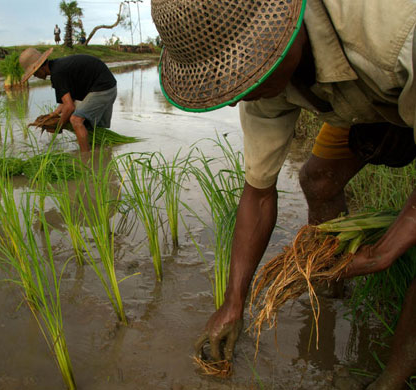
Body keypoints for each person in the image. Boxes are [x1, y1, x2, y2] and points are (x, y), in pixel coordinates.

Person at [152, 0, 416, 389]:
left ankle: (395, 374)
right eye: (226, 83)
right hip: (364, 106)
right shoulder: (257, 83)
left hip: (394, 79)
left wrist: (386, 248)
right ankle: (331, 288)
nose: (235, 98)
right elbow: (258, 193)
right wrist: (233, 303)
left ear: (281, 29)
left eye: (244, 75)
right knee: (318, 181)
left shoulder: (394, 30)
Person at [19, 47, 117, 152]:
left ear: (39, 68)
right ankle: (101, 153)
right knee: (92, 126)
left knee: (76, 120)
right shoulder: (58, 67)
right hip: (107, 86)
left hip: (103, 89)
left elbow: (70, 107)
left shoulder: (57, 73)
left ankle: (85, 158)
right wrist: (54, 114)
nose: (34, 75)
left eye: (34, 73)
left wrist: (58, 127)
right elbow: (67, 100)